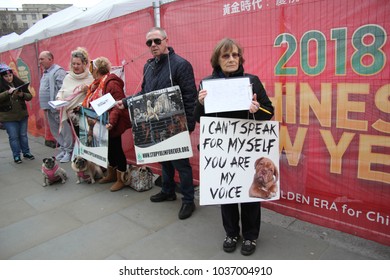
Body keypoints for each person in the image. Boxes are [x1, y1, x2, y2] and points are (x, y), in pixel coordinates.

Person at [194, 38, 274, 256]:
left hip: (246, 148)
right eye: (226, 55)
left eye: (235, 55)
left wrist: (257, 109)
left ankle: (250, 236)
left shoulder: (252, 81)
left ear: (240, 58)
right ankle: (231, 233)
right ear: (217, 60)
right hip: (221, 150)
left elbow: (269, 112)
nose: (231, 59)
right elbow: (198, 118)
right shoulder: (206, 84)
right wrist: (200, 103)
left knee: (249, 194)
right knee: (226, 194)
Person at [117, 27, 197, 220]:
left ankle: (188, 200)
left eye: (156, 41)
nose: (153, 45)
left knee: (181, 164)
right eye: (149, 42)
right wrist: (126, 102)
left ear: (166, 41)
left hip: (176, 124)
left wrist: (188, 124)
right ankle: (168, 191)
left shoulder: (181, 65)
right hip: (156, 122)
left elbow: (190, 97)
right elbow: (144, 93)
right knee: (164, 160)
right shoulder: (149, 66)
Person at [83, 56, 131, 192]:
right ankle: (111, 174)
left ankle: (121, 178)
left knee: (116, 149)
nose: (90, 71)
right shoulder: (97, 83)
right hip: (103, 122)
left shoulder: (111, 83)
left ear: (97, 69)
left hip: (112, 123)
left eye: (92, 68)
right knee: (109, 149)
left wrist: (111, 122)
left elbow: (118, 104)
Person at [38, 51, 72, 163]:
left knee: (64, 130)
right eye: (39, 59)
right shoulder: (46, 72)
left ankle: (69, 151)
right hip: (48, 108)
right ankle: (63, 148)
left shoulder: (58, 71)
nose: (40, 62)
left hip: (58, 108)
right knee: (55, 131)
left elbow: (63, 89)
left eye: (42, 59)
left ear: (50, 59)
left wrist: (58, 103)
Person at [0, 63, 35, 163]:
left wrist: (22, 94)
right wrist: (8, 92)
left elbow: (29, 96)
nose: (9, 78)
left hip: (22, 115)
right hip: (8, 117)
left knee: (23, 135)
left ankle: (26, 152)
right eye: (6, 76)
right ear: (2, 77)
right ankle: (16, 155)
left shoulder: (18, 82)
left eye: (10, 75)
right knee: (13, 137)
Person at [56, 47, 93, 137]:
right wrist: (59, 98)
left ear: (84, 64)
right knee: (78, 138)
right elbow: (62, 90)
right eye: (73, 64)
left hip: (86, 116)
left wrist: (89, 89)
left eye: (78, 64)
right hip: (71, 117)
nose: (75, 66)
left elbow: (97, 94)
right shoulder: (68, 77)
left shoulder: (91, 77)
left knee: (87, 140)